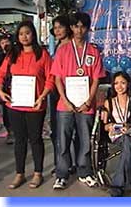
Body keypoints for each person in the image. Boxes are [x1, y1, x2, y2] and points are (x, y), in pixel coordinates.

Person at [0, 20, 54, 189]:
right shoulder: (12, 54)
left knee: (35, 139)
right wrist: (0, 90)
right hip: (15, 105)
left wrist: (43, 96)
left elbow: (51, 77)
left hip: (35, 105)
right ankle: (19, 174)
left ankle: (38, 173)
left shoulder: (42, 54)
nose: (24, 36)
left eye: (27, 33)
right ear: (17, 36)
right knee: (19, 140)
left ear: (33, 34)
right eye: (21, 34)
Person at [51, 12, 106, 189]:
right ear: (71, 28)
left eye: (82, 26)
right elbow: (57, 78)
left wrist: (89, 101)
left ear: (87, 28)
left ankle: (85, 172)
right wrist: (65, 100)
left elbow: (96, 79)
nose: (79, 29)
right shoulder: (63, 50)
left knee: (85, 140)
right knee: (63, 140)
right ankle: (62, 174)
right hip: (65, 104)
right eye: (75, 26)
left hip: (86, 105)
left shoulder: (93, 51)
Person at [102, 71, 131, 197]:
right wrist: (112, 126)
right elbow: (105, 125)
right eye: (116, 83)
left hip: (130, 132)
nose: (119, 86)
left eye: (123, 83)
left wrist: (127, 126)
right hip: (115, 134)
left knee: (127, 140)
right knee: (126, 142)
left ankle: (117, 184)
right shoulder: (109, 102)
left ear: (128, 84)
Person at [49, 15, 78, 176]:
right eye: (55, 27)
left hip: (70, 93)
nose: (57, 30)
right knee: (58, 131)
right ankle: (61, 163)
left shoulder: (73, 46)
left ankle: (72, 163)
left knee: (70, 131)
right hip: (55, 92)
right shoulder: (57, 46)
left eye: (60, 26)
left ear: (68, 27)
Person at [0, 34, 13, 144]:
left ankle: (12, 131)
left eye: (7, 42)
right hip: (2, 87)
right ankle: (9, 131)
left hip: (15, 87)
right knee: (3, 111)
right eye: (2, 43)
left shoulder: (17, 55)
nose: (5, 45)